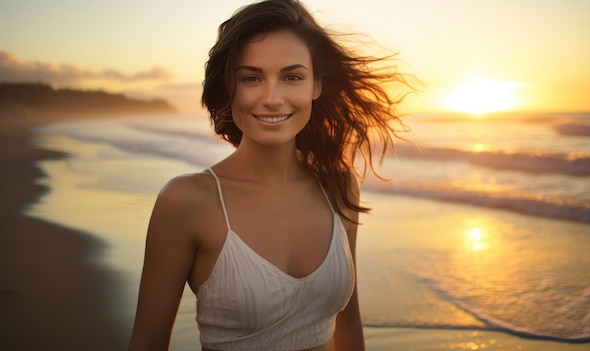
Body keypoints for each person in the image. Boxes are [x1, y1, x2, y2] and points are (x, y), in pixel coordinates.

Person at [128, 0, 412, 350]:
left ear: (315, 86)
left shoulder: (338, 186)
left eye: (292, 77)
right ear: (229, 89)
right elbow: (148, 341)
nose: (272, 98)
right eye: (251, 78)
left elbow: (347, 324)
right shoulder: (188, 201)